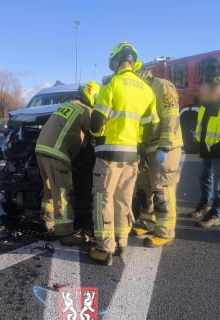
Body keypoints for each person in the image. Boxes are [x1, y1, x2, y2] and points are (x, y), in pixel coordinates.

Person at [88, 42, 159, 265]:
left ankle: (103, 249)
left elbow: (97, 122)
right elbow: (152, 127)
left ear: (117, 62)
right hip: (132, 156)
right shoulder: (147, 90)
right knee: (123, 200)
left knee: (103, 200)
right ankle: (121, 243)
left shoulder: (112, 85)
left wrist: (97, 132)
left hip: (109, 154)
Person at [35, 81, 100, 245]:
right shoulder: (87, 111)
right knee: (64, 192)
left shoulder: (67, 105)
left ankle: (48, 222)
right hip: (57, 153)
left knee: (50, 188)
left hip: (40, 150)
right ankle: (65, 233)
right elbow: (95, 135)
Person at [133, 71, 183, 247]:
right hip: (148, 148)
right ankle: (146, 223)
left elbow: (170, 116)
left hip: (165, 148)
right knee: (144, 187)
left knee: (162, 189)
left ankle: (165, 232)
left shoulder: (161, 86)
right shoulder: (142, 90)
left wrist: (165, 146)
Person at [188, 73, 220, 228]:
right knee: (205, 178)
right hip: (208, 149)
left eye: (204, 93)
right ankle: (205, 205)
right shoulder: (207, 103)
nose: (201, 96)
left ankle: (216, 214)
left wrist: (215, 149)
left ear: (216, 91)